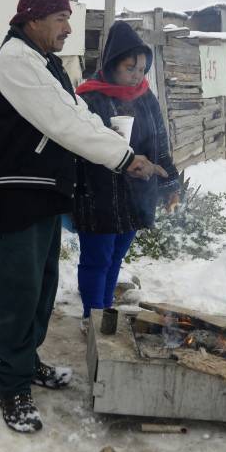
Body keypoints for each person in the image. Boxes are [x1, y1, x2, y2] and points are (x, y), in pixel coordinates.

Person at [0, 0, 167, 433]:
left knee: (43, 285)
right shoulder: (16, 59)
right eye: (62, 17)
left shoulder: (45, 60)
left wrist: (128, 155)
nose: (68, 27)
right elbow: (64, 122)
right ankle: (12, 386)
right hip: (19, 193)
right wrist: (123, 158)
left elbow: (79, 114)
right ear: (34, 17)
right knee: (22, 293)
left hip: (44, 192)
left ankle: (28, 361)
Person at [72, 21, 179, 324]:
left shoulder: (146, 97)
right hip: (98, 193)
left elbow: (160, 142)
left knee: (116, 257)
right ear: (110, 65)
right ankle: (92, 319)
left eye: (142, 69)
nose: (137, 76)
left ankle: (105, 313)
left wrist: (169, 182)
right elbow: (78, 144)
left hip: (135, 194)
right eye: (129, 68)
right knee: (97, 259)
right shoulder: (88, 98)